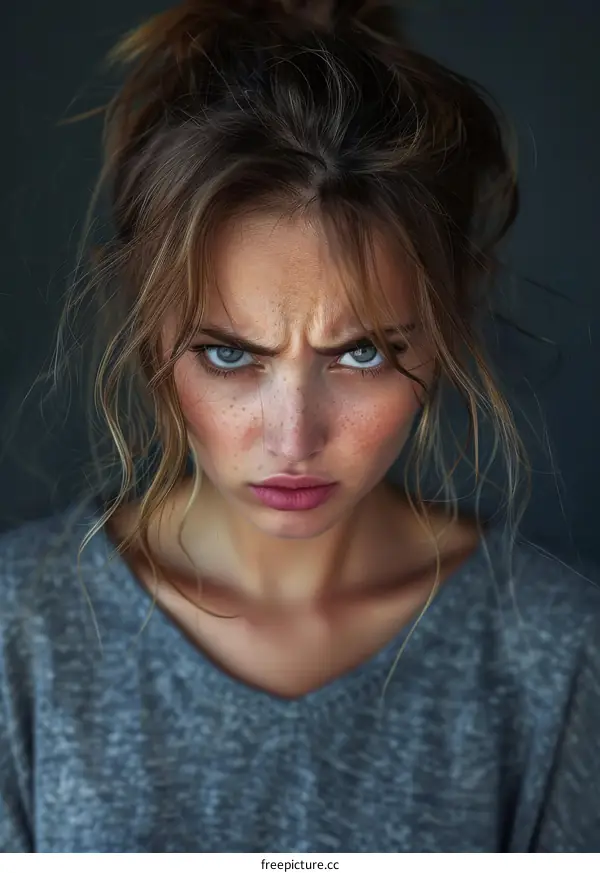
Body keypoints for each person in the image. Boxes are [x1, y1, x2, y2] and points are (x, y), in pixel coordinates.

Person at [1, 0, 599, 853]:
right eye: (227, 354)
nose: (292, 438)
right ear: (147, 328)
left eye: (360, 354)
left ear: (452, 316)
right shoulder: (18, 636)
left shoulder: (559, 653)